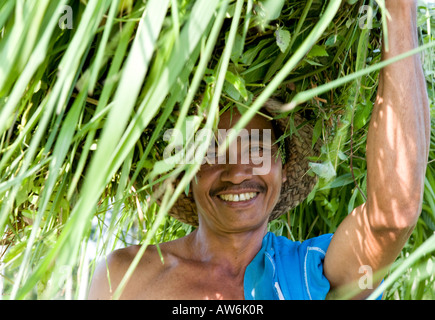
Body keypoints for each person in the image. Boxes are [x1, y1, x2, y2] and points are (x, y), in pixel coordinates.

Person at [88, 0, 430, 300]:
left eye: (257, 148)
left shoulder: (316, 275)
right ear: (183, 170)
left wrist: (398, 11)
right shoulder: (122, 278)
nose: (237, 172)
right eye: (211, 150)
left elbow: (392, 218)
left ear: (282, 166)